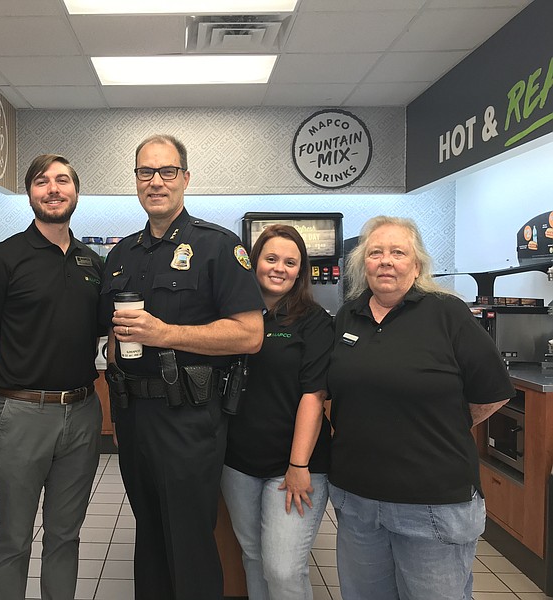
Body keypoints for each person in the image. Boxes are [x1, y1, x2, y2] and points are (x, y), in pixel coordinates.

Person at [99, 134, 265, 600]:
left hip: (189, 418)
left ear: (185, 178)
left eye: (167, 171)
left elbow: (250, 335)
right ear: (135, 181)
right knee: (148, 537)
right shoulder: (121, 254)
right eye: (145, 172)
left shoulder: (218, 247)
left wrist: (164, 332)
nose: (156, 181)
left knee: (189, 541)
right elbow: (111, 330)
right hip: (133, 417)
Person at [327, 215, 515, 600]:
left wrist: (440, 426)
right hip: (357, 499)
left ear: (417, 263)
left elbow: (494, 391)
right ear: (363, 263)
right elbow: (333, 393)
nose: (386, 261)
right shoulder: (349, 315)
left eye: (398, 252)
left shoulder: (447, 313)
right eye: (376, 252)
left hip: (433, 505)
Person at [0, 154, 103, 600]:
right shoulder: (0, 262)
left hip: (83, 414)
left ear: (76, 192)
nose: (53, 189)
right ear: (30, 193)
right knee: (13, 540)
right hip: (20, 415)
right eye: (42, 182)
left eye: (63, 180)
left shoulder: (91, 263)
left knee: (66, 536)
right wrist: (9, 397)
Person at [221, 225, 333, 600]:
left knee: (283, 569)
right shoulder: (233, 317)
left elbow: (313, 396)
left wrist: (299, 466)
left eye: (290, 262)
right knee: (253, 556)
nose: (279, 268)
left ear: (301, 271)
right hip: (238, 461)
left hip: (295, 465)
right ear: (253, 264)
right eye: (271, 259)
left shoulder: (314, 321)